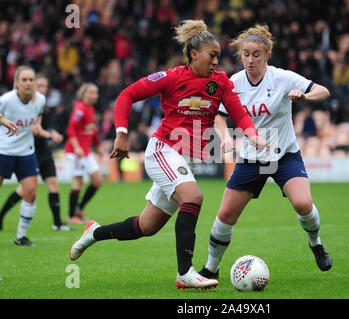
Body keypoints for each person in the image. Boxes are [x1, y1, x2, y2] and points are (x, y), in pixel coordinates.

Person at [69, 20, 268, 289]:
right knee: (194, 197)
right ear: (194, 54)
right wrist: (121, 132)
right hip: (163, 150)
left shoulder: (220, 82)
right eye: (212, 56)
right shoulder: (171, 77)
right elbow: (127, 95)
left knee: (146, 227)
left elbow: (239, 113)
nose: (216, 62)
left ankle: (94, 232)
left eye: (218, 57)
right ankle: (185, 273)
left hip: (187, 161)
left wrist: (252, 133)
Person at [198, 24, 333, 280]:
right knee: (225, 215)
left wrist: (303, 97)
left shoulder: (283, 78)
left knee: (303, 204)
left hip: (284, 155)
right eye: (246, 54)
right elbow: (218, 116)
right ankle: (210, 268)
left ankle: (315, 243)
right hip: (250, 159)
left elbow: (323, 91)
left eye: (256, 54)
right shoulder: (233, 83)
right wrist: (225, 137)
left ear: (267, 55)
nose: (250, 59)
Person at [0, 74, 71, 231]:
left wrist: (48, 134)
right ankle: (1, 215)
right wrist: (50, 135)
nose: (39, 89)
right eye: (37, 85)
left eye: (43, 86)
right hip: (22, 150)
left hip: (41, 151)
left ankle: (57, 223)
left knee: (52, 185)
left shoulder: (41, 104)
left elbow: (37, 126)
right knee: (24, 190)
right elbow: (34, 129)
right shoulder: (14, 102)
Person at [0, 66, 48, 246]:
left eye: (31, 80)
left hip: (26, 152)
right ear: (16, 83)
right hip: (3, 150)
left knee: (31, 193)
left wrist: (38, 126)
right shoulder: (6, 100)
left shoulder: (40, 100)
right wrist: (3, 120)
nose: (28, 83)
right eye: (24, 80)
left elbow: (39, 115)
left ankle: (20, 237)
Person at [65, 83, 103, 224]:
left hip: (86, 152)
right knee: (78, 182)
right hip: (76, 152)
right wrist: (77, 147)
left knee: (97, 180)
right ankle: (71, 216)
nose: (95, 95)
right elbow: (71, 129)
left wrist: (98, 147)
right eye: (91, 92)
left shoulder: (90, 109)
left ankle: (78, 209)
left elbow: (92, 130)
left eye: (96, 92)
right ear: (84, 94)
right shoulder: (80, 109)